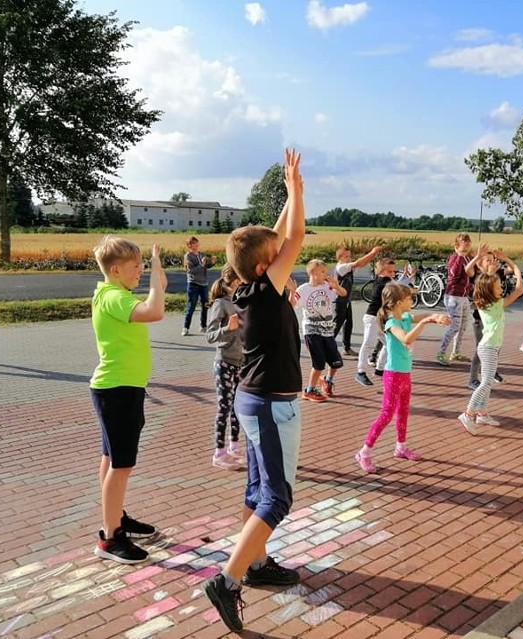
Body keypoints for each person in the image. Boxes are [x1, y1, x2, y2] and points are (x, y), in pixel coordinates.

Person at [204, 149, 305, 634]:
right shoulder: (266, 291)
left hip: (255, 399)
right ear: (266, 268)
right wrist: (295, 191)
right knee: (278, 497)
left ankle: (258, 562)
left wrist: (286, 200)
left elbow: (280, 237)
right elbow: (296, 236)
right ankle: (228, 578)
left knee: (256, 487)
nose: (286, 254)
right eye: (277, 257)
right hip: (269, 404)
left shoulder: (250, 287)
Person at [90, 237, 167, 564]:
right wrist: (154, 281)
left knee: (111, 459)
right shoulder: (113, 297)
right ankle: (111, 538)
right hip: (117, 390)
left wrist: (155, 268)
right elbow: (155, 310)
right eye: (136, 267)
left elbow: (155, 294)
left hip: (121, 389)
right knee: (122, 464)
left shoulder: (113, 295)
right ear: (116, 269)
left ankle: (115, 518)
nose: (141, 271)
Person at [355, 282, 450, 472]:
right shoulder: (391, 323)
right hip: (393, 375)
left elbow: (421, 316)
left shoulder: (405, 316)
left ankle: (400, 447)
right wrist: (424, 322)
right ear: (399, 302)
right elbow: (406, 339)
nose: (412, 301)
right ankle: (364, 452)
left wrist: (434, 317)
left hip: (405, 374)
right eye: (409, 299)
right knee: (386, 414)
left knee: (404, 411)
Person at [458, 250, 523, 434]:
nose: (501, 288)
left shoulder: (486, 302)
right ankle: (468, 414)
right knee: (486, 382)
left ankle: (482, 414)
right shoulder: (494, 303)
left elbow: (511, 289)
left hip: (490, 347)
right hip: (488, 348)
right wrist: (511, 262)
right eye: (498, 286)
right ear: (489, 289)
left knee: (488, 382)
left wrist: (498, 266)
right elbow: (519, 290)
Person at [206, 264, 245, 471]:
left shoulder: (240, 301)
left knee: (238, 407)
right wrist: (227, 329)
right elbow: (210, 336)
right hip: (224, 362)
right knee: (224, 406)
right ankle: (219, 453)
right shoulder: (221, 304)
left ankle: (234, 447)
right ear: (235, 281)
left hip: (241, 362)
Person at [295, 259, 348, 401]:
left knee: (336, 361)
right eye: (323, 271)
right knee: (318, 363)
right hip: (312, 331)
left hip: (328, 331)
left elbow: (343, 293)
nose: (326, 274)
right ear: (313, 272)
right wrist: (291, 291)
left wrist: (336, 285)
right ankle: (309, 390)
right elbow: (292, 303)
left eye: (326, 271)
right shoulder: (303, 289)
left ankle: (327, 380)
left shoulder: (327, 286)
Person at [466, 249, 507, 391]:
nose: (491, 262)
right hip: (480, 321)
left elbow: (513, 271)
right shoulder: (479, 277)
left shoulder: (496, 275)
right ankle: (472, 379)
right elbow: (467, 270)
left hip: (495, 321)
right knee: (480, 349)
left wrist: (505, 259)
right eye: (487, 260)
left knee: (495, 347)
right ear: (480, 263)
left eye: (492, 259)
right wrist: (477, 256)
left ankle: (491, 370)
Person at [437, 233, 478, 366]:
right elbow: (455, 273)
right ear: (457, 245)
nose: (467, 244)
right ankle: (441, 353)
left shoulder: (467, 258)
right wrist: (462, 258)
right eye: (464, 242)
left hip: (464, 297)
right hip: (453, 296)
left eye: (468, 242)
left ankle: (456, 352)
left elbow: (471, 273)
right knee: (454, 326)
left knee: (463, 326)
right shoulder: (455, 258)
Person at [333, 244, 382, 356]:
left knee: (348, 324)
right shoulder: (341, 267)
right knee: (337, 324)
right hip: (339, 301)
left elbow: (362, 263)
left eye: (350, 256)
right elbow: (358, 263)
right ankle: (327, 347)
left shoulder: (348, 268)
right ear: (339, 258)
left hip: (346, 300)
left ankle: (346, 348)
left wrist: (373, 255)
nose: (349, 258)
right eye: (346, 256)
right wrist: (373, 252)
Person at [355, 257, 396, 386]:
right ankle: (360, 372)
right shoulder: (384, 282)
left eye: (393, 271)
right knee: (368, 343)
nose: (392, 274)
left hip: (381, 319)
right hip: (372, 318)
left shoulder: (385, 280)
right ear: (382, 272)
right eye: (390, 271)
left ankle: (380, 369)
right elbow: (396, 288)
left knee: (389, 343)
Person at [182, 236, 216, 336]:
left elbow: (205, 266)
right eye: (193, 243)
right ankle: (186, 327)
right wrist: (201, 264)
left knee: (205, 305)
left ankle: (203, 326)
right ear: (189, 245)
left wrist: (212, 263)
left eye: (197, 242)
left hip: (204, 284)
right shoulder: (188, 256)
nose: (196, 245)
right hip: (193, 284)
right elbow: (191, 271)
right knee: (191, 306)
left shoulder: (201, 254)